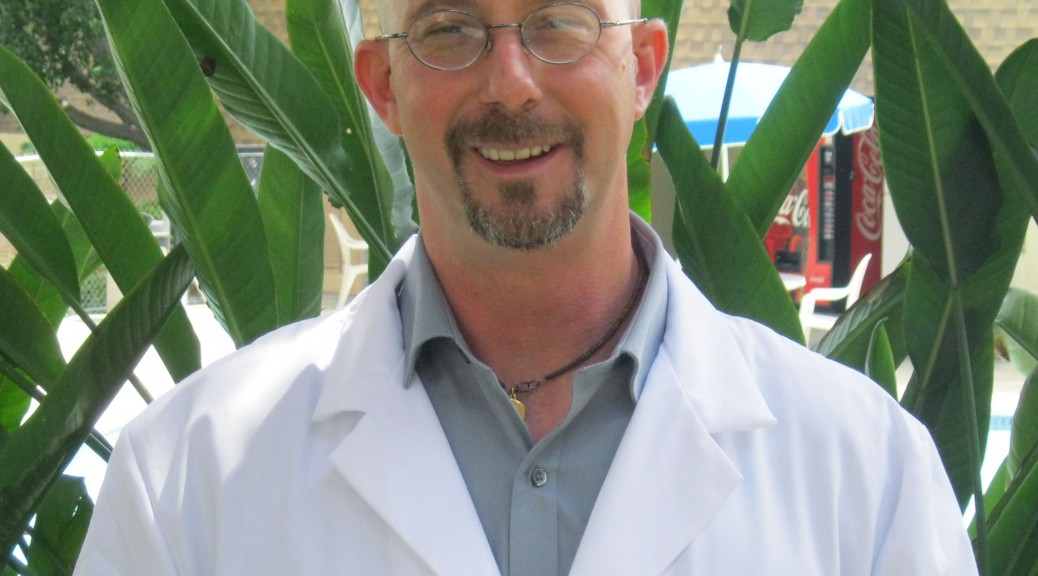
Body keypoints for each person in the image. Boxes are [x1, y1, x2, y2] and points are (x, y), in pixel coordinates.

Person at [74, 0, 978, 574]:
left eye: (558, 23)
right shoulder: (187, 476)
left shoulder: (866, 472)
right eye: (449, 30)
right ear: (383, 85)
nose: (509, 83)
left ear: (642, 69)